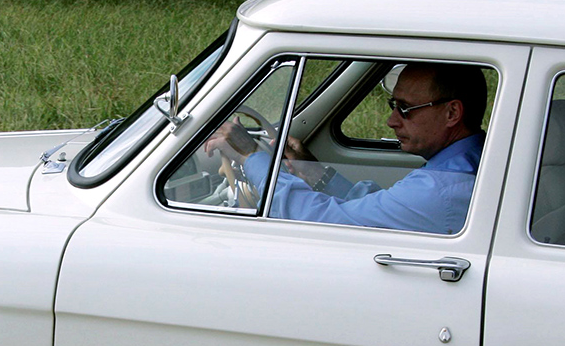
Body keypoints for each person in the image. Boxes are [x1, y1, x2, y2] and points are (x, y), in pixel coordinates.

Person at [204, 64, 488, 234]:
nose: (391, 121)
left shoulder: (439, 190)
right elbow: (382, 211)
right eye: (393, 106)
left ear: (452, 113)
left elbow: (320, 221)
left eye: (404, 109)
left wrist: (251, 157)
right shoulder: (472, 162)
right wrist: (315, 174)